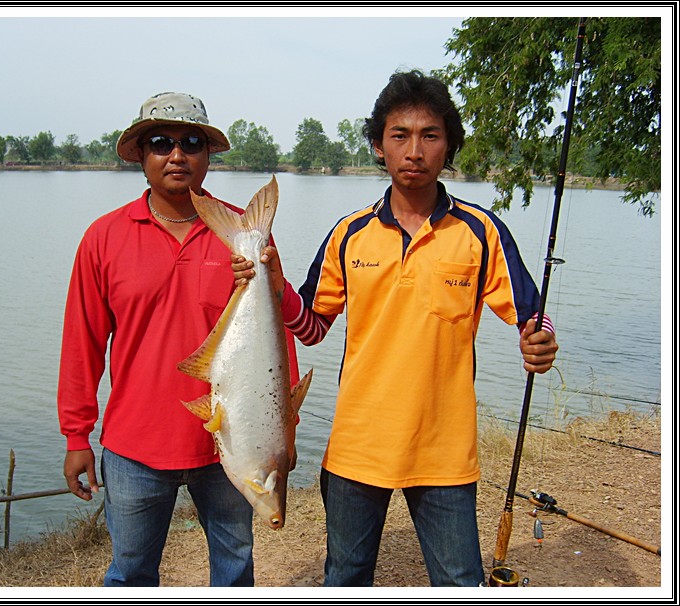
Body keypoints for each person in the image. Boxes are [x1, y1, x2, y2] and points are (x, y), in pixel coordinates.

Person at [232, 69, 559, 587]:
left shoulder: (481, 230)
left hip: (445, 453)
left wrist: (538, 340)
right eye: (399, 135)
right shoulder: (349, 234)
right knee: (346, 580)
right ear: (379, 147)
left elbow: (529, 313)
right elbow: (312, 327)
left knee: (459, 583)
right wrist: (272, 280)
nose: (414, 151)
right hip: (357, 450)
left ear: (448, 146)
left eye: (430, 136)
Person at [57, 91, 299, 587]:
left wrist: (285, 429)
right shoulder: (104, 237)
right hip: (134, 447)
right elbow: (81, 343)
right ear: (141, 157)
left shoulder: (247, 238)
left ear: (208, 156)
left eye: (191, 142)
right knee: (130, 573)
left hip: (231, 449)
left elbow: (275, 340)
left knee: (234, 573)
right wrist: (76, 434)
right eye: (161, 142)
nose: (176, 154)